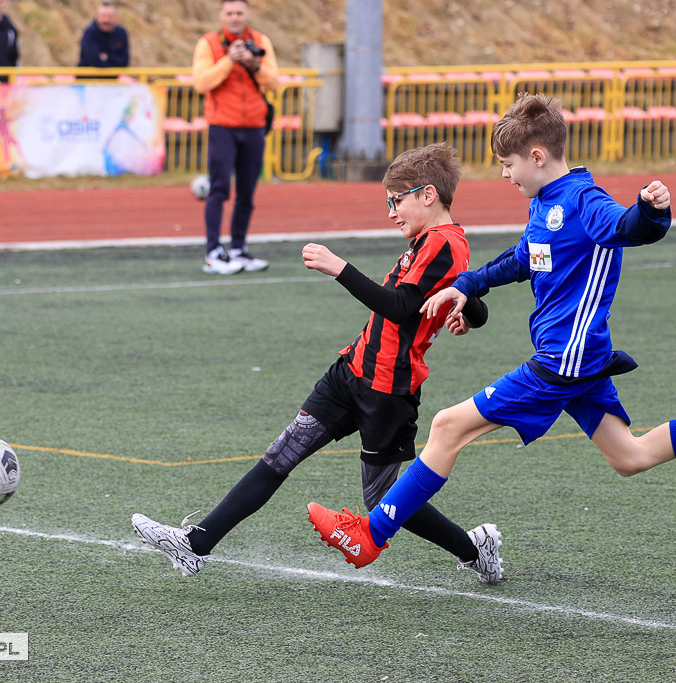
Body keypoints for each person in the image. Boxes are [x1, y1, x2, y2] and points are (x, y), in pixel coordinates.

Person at [308, 93, 676, 571]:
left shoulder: (581, 200)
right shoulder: (545, 202)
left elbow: (626, 228)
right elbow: (523, 258)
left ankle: (372, 534)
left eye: (508, 166)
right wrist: (467, 285)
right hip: (583, 357)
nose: (505, 176)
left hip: (564, 360)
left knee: (446, 427)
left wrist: (651, 211)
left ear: (536, 156)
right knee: (631, 456)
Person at [133, 143, 506, 584]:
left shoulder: (445, 243)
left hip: (388, 389)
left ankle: (474, 549)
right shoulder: (431, 241)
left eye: (396, 199)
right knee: (280, 455)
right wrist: (466, 311)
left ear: (428, 195)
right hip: (351, 372)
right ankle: (195, 545)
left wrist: (339, 268)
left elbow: (403, 307)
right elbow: (468, 296)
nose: (390, 211)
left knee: (384, 497)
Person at [192, 0, 278, 275]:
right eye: (229, 13)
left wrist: (253, 64)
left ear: (248, 15)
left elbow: (273, 81)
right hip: (222, 126)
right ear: (221, 15)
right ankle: (213, 252)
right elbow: (201, 83)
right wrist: (229, 60)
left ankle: (239, 249)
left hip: (253, 126)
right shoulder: (209, 43)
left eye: (239, 12)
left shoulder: (260, 40)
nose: (234, 17)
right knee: (218, 189)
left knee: (247, 193)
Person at [77, 1, 130, 69]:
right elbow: (94, 61)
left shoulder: (122, 32)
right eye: (103, 16)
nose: (106, 20)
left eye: (110, 16)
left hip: (113, 78)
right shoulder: (90, 33)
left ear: (116, 17)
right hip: (88, 78)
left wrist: (107, 57)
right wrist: (114, 61)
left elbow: (124, 61)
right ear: (97, 17)